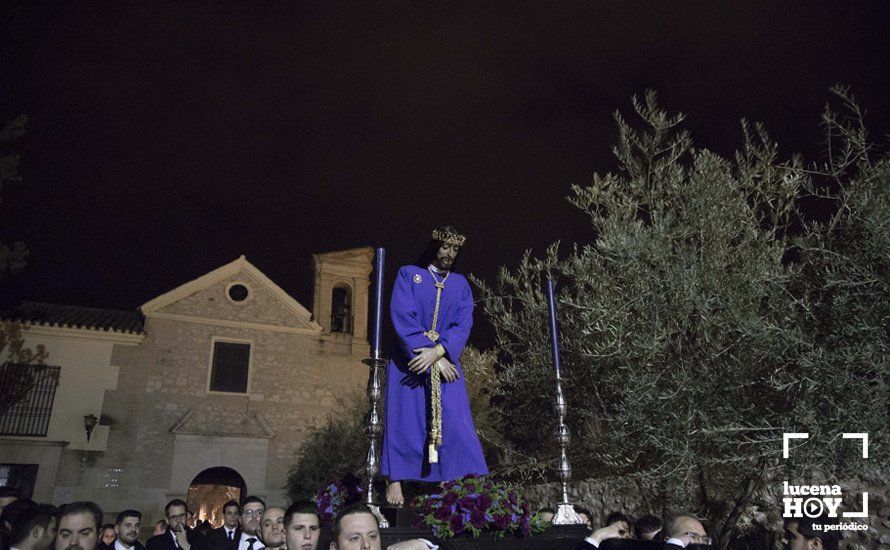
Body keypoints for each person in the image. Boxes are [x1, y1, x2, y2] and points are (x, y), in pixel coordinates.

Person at [381, 226, 488, 506]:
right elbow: (403, 315)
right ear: (433, 246)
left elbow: (464, 323)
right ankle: (396, 480)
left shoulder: (461, 284)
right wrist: (428, 356)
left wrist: (439, 354)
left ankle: (450, 477)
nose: (450, 254)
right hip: (410, 361)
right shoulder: (408, 275)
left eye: (455, 249)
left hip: (445, 360)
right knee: (405, 419)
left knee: (455, 419)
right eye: (445, 247)